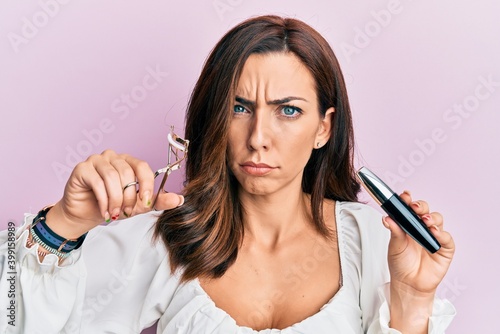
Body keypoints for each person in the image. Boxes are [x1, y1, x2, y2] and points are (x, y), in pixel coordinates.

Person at [0, 15, 455, 333]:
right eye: (240, 107)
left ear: (323, 128)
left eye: (288, 111)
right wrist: (62, 224)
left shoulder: (377, 246)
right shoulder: (170, 238)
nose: (258, 136)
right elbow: (15, 320)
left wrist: (413, 299)